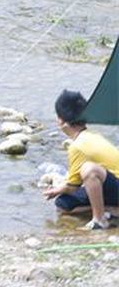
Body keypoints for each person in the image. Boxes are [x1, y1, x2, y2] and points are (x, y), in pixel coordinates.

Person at [43, 89, 119, 230]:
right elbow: (75, 183)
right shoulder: (92, 134)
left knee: (88, 169)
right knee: (63, 205)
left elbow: (72, 187)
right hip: (113, 184)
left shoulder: (77, 146)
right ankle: (112, 209)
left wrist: (55, 190)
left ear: (60, 120)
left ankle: (99, 220)